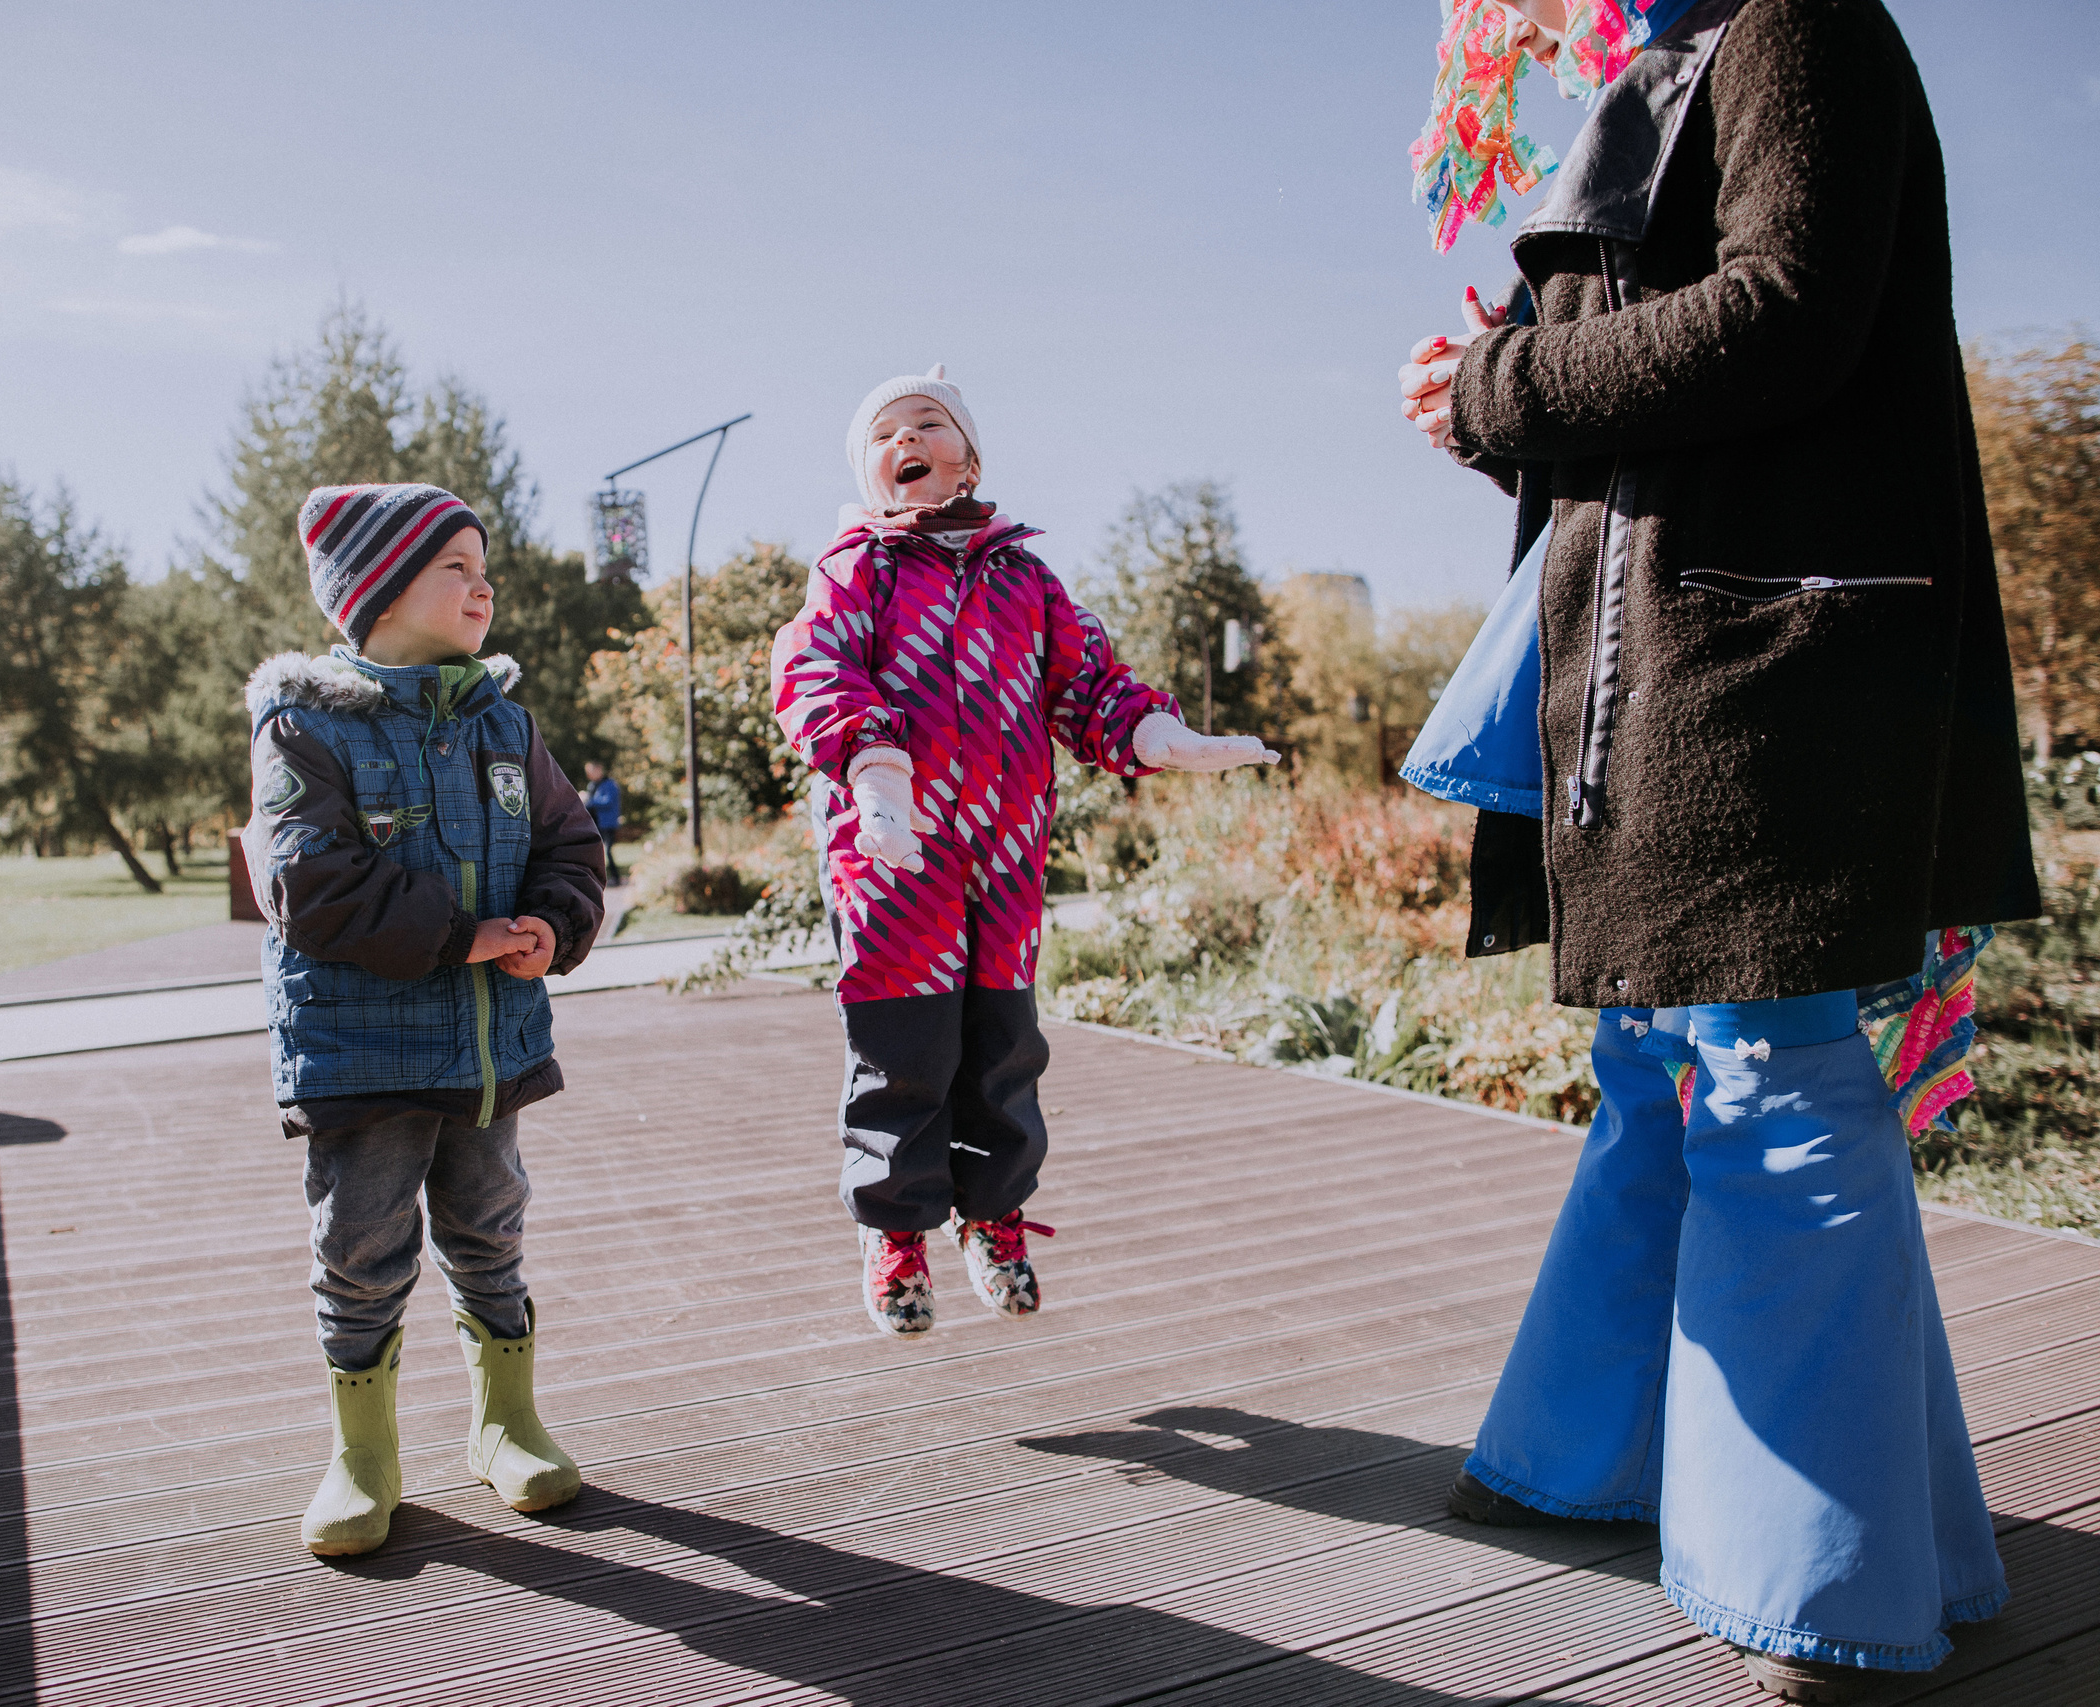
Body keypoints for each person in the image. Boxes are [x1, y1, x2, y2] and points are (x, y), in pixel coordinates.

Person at [1391, 2, 2039, 1699]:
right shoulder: (1677, 60)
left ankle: (1827, 1585)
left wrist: (1500, 379)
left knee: (1770, 1071)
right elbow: (1673, 404)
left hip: (1768, 676)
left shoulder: (1801, 24)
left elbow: (1783, 316)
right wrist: (1491, 408)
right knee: (1656, 1060)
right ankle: (1588, 1460)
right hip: (1655, 669)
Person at [771, 366, 1278, 1337]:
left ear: (967, 457)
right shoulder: (856, 569)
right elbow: (813, 669)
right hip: (896, 854)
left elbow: (1087, 685)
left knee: (1004, 1050)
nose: (904, 438)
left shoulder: (1026, 580)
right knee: (902, 1053)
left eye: (926, 422)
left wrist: (1153, 736)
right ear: (871, 474)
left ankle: (993, 1216)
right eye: (883, 433)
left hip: (1001, 859)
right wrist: (874, 772)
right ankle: (896, 1232)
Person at [242, 481, 608, 1557]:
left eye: (482, 567)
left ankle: (507, 1421)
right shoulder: (306, 726)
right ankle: (365, 1454)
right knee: (361, 1247)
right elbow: (308, 884)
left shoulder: (504, 723)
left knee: (490, 1228)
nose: (481, 585)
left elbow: (570, 845)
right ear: (376, 588)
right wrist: (463, 933)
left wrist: (551, 920)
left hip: (488, 1048)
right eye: (455, 565)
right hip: (360, 1053)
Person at [582, 759, 624, 885]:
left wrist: (590, 801)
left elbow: (608, 802)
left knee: (608, 851)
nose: (589, 775)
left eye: (591, 771)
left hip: (607, 823)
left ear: (599, 770)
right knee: (595, 851)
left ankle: (615, 878)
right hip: (595, 823)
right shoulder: (592, 785)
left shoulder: (610, 784)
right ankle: (597, 878)